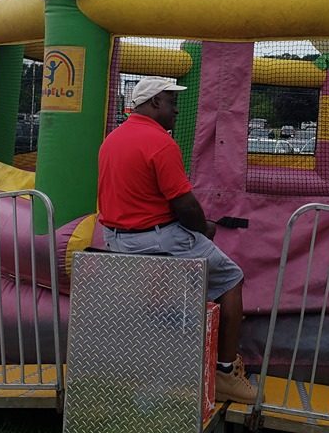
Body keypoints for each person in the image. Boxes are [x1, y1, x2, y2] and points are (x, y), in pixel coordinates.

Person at [97, 76, 258, 404]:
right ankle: (225, 373)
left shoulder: (113, 139)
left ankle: (160, 374)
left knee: (162, 306)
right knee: (231, 279)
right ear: (154, 102)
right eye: (172, 102)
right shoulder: (160, 142)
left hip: (117, 242)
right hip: (158, 239)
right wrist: (204, 228)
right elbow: (184, 205)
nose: (177, 110)